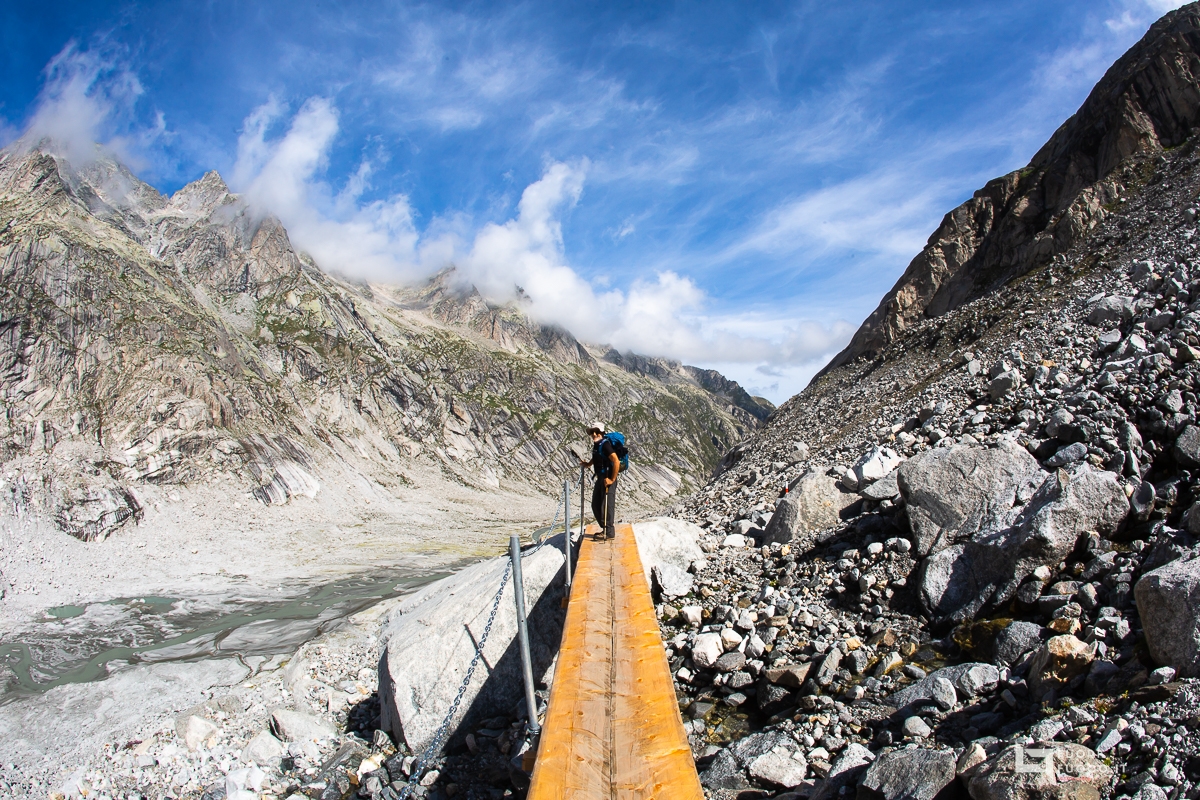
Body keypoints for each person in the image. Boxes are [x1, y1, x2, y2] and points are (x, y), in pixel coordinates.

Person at [579, 421, 619, 540]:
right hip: (600, 478)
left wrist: (612, 479)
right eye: (592, 432)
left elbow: (615, 461)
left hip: (607, 478)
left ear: (601, 432)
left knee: (606, 505)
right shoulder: (598, 445)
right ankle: (605, 528)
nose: (594, 434)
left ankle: (609, 532)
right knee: (596, 505)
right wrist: (588, 464)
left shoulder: (605, 445)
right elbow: (597, 456)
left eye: (596, 431)